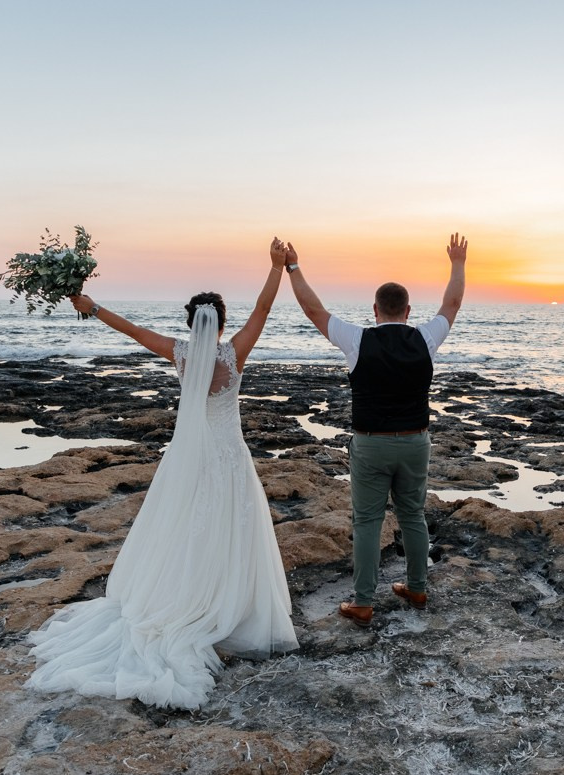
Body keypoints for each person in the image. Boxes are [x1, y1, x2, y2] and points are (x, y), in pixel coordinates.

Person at [26, 237, 298, 709]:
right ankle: (227, 606)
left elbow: (133, 331)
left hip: (189, 457)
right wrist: (277, 267)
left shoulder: (180, 354)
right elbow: (263, 308)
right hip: (228, 456)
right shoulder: (234, 353)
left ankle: (185, 595)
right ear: (221, 324)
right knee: (229, 528)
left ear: (190, 324)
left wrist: (92, 308)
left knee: (186, 526)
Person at [285, 233, 468, 628]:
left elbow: (313, 310)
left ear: (375, 310)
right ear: (407, 310)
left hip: (371, 445)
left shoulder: (357, 339)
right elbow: (452, 303)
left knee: (367, 521)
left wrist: (293, 267)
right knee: (413, 515)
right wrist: (457, 263)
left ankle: (364, 602)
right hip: (415, 441)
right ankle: (417, 588)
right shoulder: (425, 337)